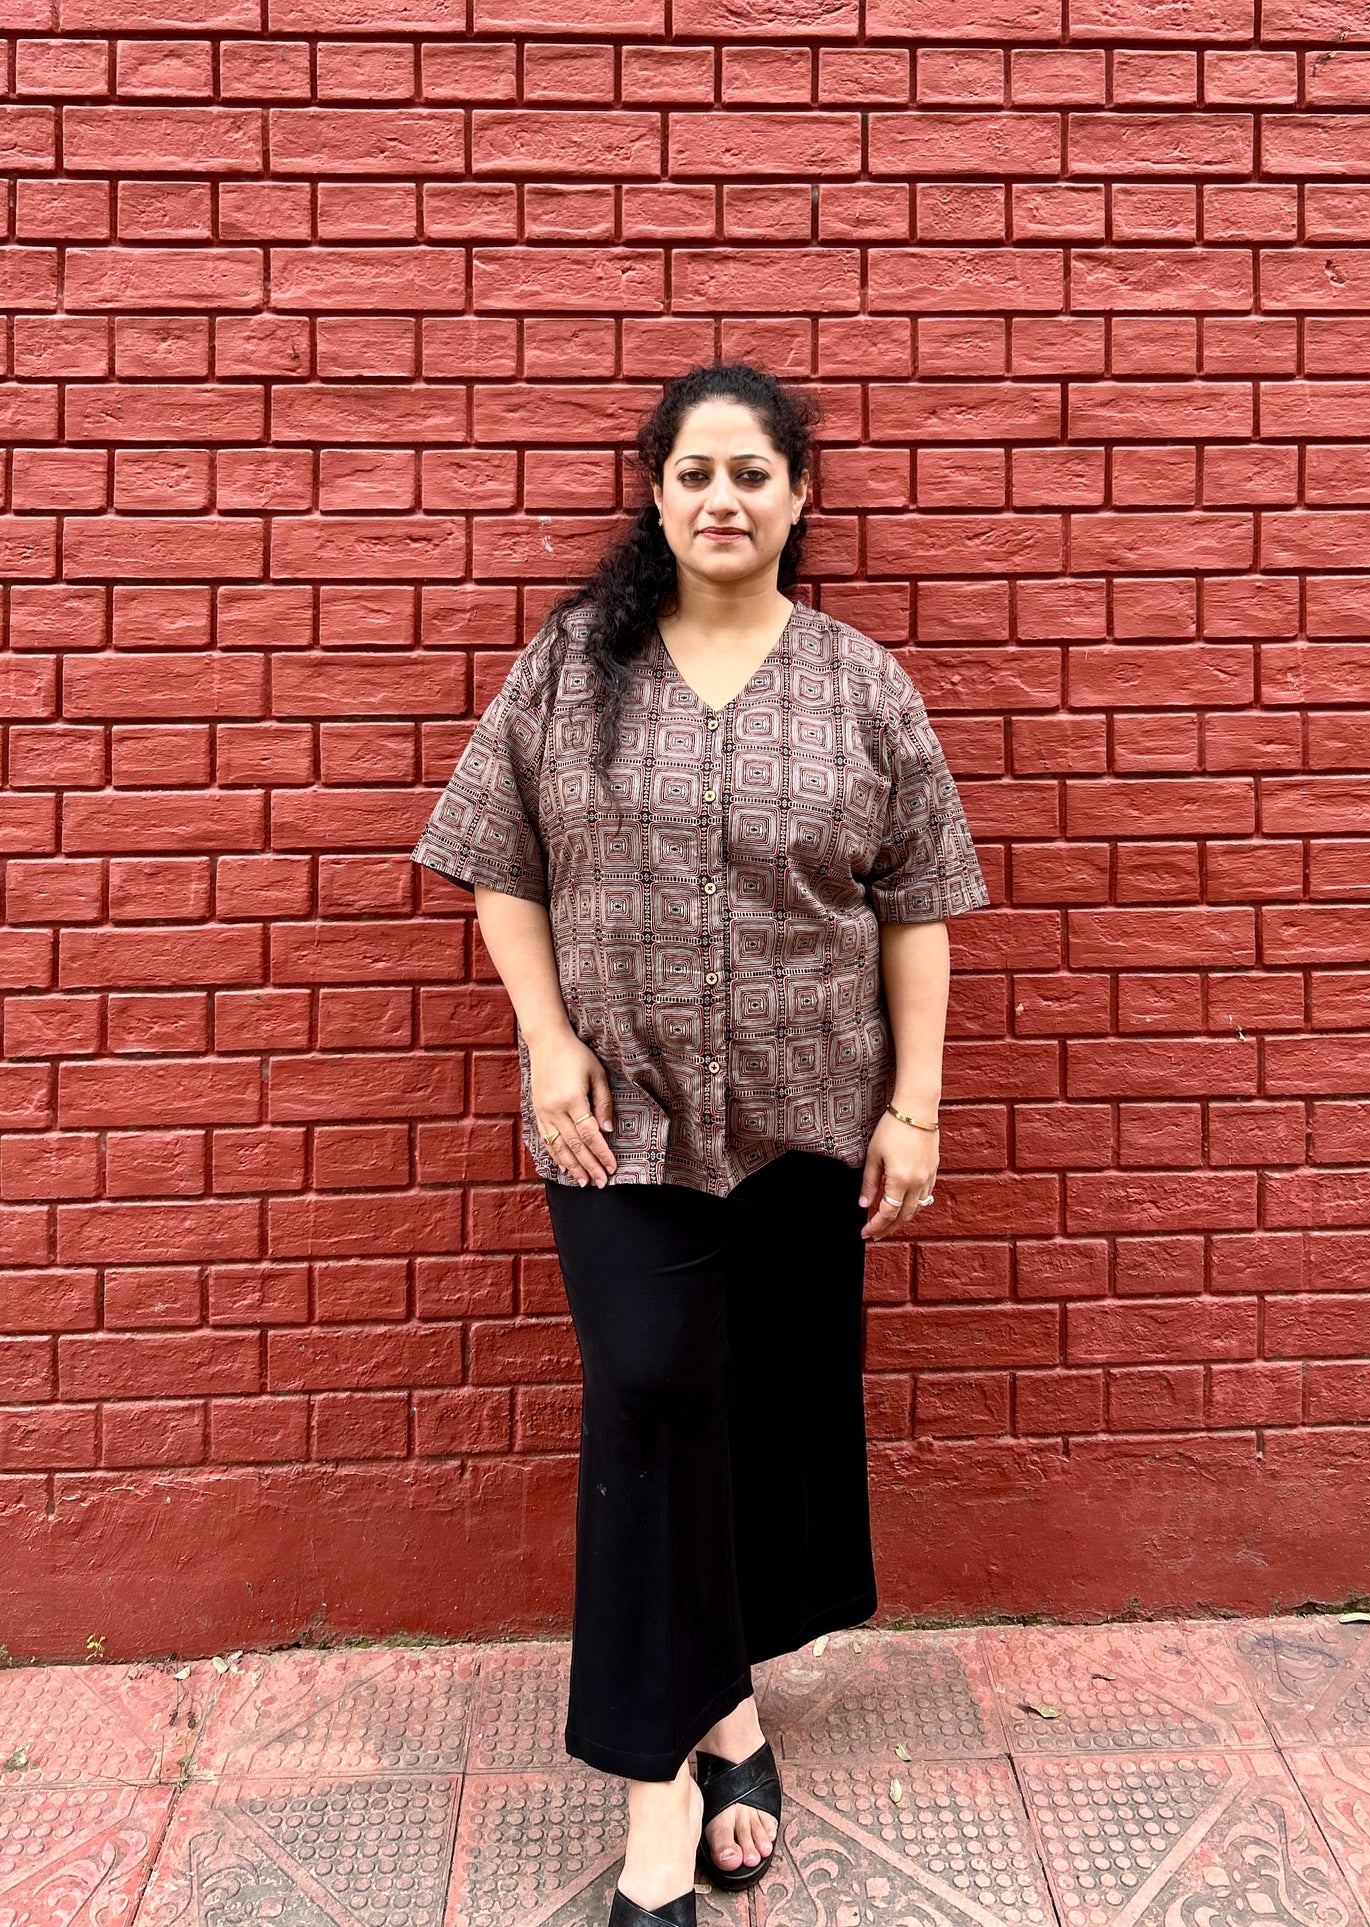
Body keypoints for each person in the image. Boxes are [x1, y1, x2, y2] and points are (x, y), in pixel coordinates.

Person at [412, 359, 990, 1927]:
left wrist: (914, 1105)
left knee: (749, 1420)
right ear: (656, 496)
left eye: (751, 474)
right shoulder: (570, 669)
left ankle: (728, 1710)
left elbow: (918, 906)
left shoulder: (860, 684)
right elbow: (497, 863)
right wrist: (546, 1039)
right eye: (693, 474)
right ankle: (655, 1791)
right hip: (620, 1121)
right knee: (652, 1394)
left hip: (805, 1122)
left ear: (799, 497)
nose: (721, 500)